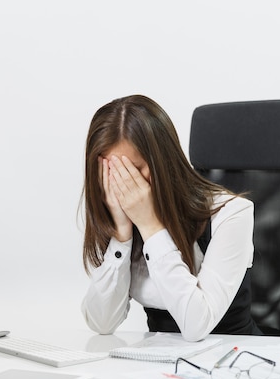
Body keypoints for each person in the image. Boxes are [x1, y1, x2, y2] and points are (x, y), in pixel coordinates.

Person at [80, 95, 261, 342]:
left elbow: (197, 325)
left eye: (133, 171)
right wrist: (121, 236)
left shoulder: (231, 213)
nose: (124, 185)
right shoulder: (122, 221)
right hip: (161, 366)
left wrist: (150, 226)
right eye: (113, 174)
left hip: (231, 361)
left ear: (163, 163)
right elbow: (101, 323)